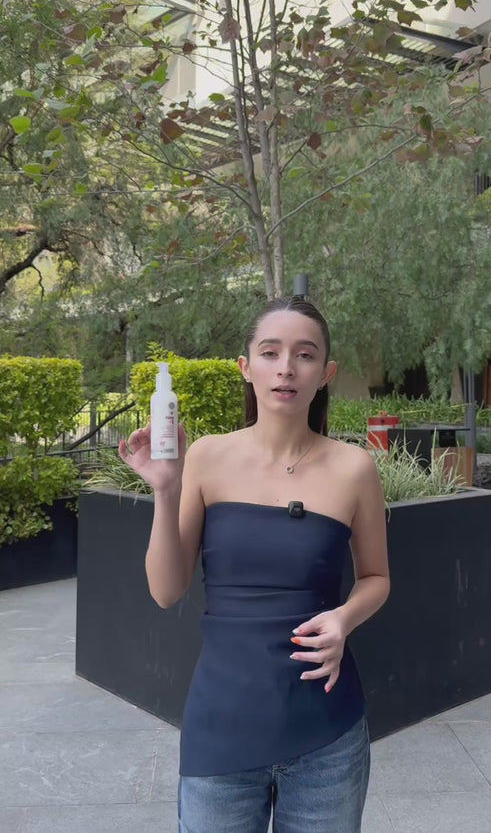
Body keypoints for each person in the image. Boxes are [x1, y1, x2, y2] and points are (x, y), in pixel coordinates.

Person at [119, 296, 389, 833]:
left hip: (327, 732)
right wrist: (166, 490)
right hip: (222, 726)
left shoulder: (354, 468)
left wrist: (344, 617)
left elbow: (376, 578)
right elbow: (165, 590)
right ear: (246, 367)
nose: (286, 367)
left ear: (326, 373)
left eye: (305, 355)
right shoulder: (207, 457)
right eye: (270, 352)